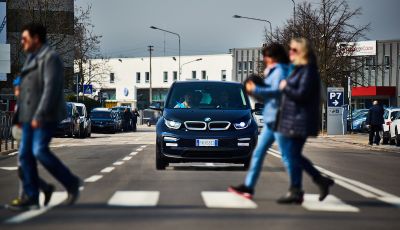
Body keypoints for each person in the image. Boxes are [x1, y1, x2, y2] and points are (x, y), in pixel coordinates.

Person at [7, 23, 81, 211]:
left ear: (36, 39)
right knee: (24, 156)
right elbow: (26, 84)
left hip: (45, 116)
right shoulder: (31, 59)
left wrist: (39, 115)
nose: (22, 42)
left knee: (39, 151)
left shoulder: (50, 58)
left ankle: (71, 182)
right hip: (28, 116)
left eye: (25, 39)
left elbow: (50, 88)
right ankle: (33, 196)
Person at [228, 43, 290, 199]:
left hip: (279, 119)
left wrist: (255, 89)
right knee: (258, 153)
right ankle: (248, 187)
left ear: (274, 57)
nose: (264, 59)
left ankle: (303, 185)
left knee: (288, 156)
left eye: (267, 56)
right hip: (271, 120)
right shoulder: (273, 71)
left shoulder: (280, 71)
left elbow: (277, 93)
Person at [277, 38, 334, 204]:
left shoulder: (308, 71)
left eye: (293, 50)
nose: (290, 53)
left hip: (300, 121)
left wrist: (285, 86)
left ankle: (299, 189)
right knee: (292, 155)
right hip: (292, 120)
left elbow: (301, 94)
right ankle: (312, 183)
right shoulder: (299, 70)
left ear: (303, 52)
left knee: (292, 155)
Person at [6, 76, 55, 209]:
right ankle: (41, 190)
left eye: (17, 88)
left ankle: (29, 196)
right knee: (25, 170)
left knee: (24, 169)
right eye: (15, 88)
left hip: (28, 141)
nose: (16, 91)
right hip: (23, 140)